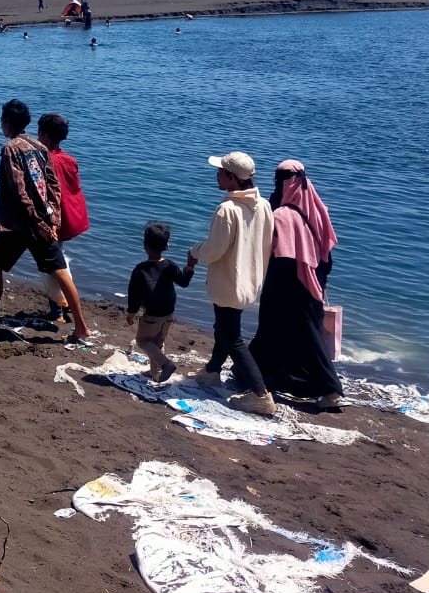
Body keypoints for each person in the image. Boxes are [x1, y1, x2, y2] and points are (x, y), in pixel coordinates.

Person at [0, 99, 92, 341]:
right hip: (43, 222)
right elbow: (53, 186)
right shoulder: (40, 146)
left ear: (7, 122)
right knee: (60, 272)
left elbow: (19, 190)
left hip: (21, 224)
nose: (1, 124)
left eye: (2, 120)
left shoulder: (10, 149)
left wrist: (37, 222)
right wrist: (53, 220)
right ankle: (81, 327)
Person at [187, 151, 276, 415]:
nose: (217, 175)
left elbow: (214, 250)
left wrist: (194, 251)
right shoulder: (264, 206)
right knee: (224, 328)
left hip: (229, 281)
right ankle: (211, 372)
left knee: (232, 337)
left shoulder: (227, 209)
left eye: (220, 172)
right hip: (250, 280)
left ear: (232, 178)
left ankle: (260, 394)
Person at [249, 160, 343, 411]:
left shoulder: (282, 214)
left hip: (290, 286)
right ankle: (261, 378)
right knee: (287, 334)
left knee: (305, 337)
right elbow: (326, 251)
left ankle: (332, 389)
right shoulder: (317, 209)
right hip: (314, 282)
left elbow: (278, 254)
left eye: (277, 181)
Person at [126, 222, 195, 383]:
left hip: (152, 315)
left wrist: (131, 314)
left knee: (143, 341)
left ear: (145, 246)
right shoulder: (169, 265)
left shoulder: (140, 270)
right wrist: (190, 266)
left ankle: (166, 364)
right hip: (169, 313)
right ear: (167, 246)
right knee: (157, 343)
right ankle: (155, 372)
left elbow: (134, 296)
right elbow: (184, 282)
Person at [36, 113, 88, 321]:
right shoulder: (69, 160)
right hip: (68, 217)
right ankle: (64, 305)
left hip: (52, 220)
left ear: (45, 136)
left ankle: (58, 308)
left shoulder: (44, 160)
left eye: (39, 133)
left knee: (50, 265)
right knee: (58, 260)